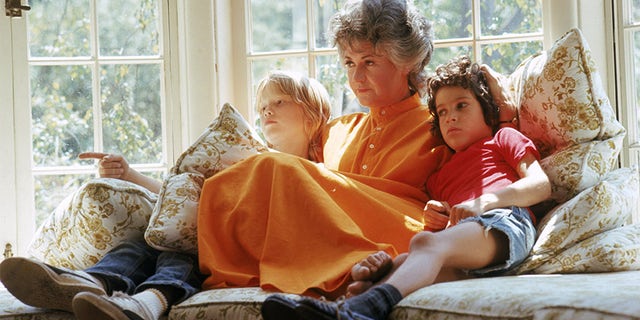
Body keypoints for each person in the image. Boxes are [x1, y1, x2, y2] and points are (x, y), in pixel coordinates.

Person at [0, 70, 332, 320]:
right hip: (204, 231)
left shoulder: (320, 166)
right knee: (145, 243)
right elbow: (186, 202)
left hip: (233, 248)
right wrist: (129, 175)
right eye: (262, 107)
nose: (266, 112)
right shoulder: (247, 159)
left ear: (313, 112)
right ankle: (89, 283)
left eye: (279, 102)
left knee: (180, 255)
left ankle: (143, 306)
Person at [260, 56, 552, 320]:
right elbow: (449, 222)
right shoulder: (439, 175)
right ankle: (342, 312)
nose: (451, 116)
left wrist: (485, 202)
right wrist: (435, 215)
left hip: (504, 221)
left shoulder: (502, 138)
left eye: (462, 105)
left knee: (423, 245)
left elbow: (540, 186)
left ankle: (362, 310)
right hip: (468, 238)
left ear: (487, 111)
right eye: (442, 111)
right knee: (386, 270)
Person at [196, 0, 450, 300]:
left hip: (404, 235)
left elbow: (465, 196)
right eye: (350, 63)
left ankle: (362, 268)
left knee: (275, 165)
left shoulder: (441, 127)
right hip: (327, 239)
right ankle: (346, 276)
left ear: (406, 62)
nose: (356, 77)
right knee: (251, 174)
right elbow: (297, 194)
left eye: (369, 62)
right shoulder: (335, 130)